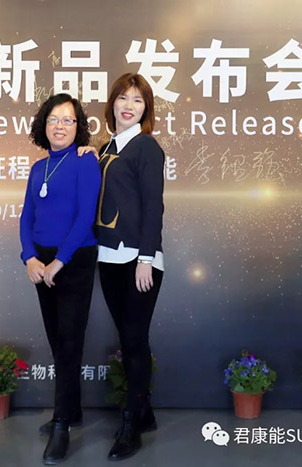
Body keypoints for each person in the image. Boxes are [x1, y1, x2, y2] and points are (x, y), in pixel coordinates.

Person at [19, 93, 101, 464]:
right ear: (44, 124)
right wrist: (30, 258)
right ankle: (72, 409)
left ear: (78, 126)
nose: (60, 126)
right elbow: (27, 217)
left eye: (68, 120)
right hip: (42, 261)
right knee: (57, 340)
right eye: (54, 119)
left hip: (75, 259)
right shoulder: (38, 168)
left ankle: (61, 425)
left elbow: (85, 217)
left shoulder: (85, 161)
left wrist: (60, 262)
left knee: (69, 342)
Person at [95, 73, 165, 461]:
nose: (129, 105)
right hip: (107, 257)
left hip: (138, 259)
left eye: (138, 100)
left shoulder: (146, 147)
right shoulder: (106, 147)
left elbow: (154, 206)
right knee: (128, 339)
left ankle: (131, 425)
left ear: (146, 109)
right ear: (112, 104)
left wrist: (146, 258)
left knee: (135, 339)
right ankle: (145, 411)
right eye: (123, 97)